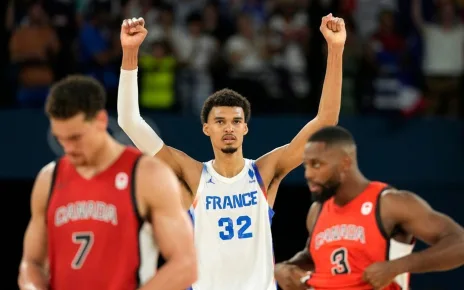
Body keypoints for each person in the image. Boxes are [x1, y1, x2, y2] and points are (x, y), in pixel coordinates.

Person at [117, 14, 345, 290]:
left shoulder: (264, 172)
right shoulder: (192, 175)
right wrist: (130, 54)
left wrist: (335, 49)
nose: (229, 128)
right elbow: (129, 121)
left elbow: (326, 121)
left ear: (245, 128)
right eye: (220, 121)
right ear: (206, 129)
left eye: (236, 121)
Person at [18, 76, 197, 290]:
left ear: (101, 121)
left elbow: (185, 264)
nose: (68, 148)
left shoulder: (147, 175)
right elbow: (32, 262)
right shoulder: (49, 178)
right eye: (60, 139)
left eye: (75, 138)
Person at [274, 126, 464, 290]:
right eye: (305, 166)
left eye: (316, 165)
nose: (308, 174)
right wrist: (286, 267)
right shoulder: (317, 210)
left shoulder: (390, 203)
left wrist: (397, 266)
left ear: (345, 163)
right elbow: (315, 255)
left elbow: (459, 244)